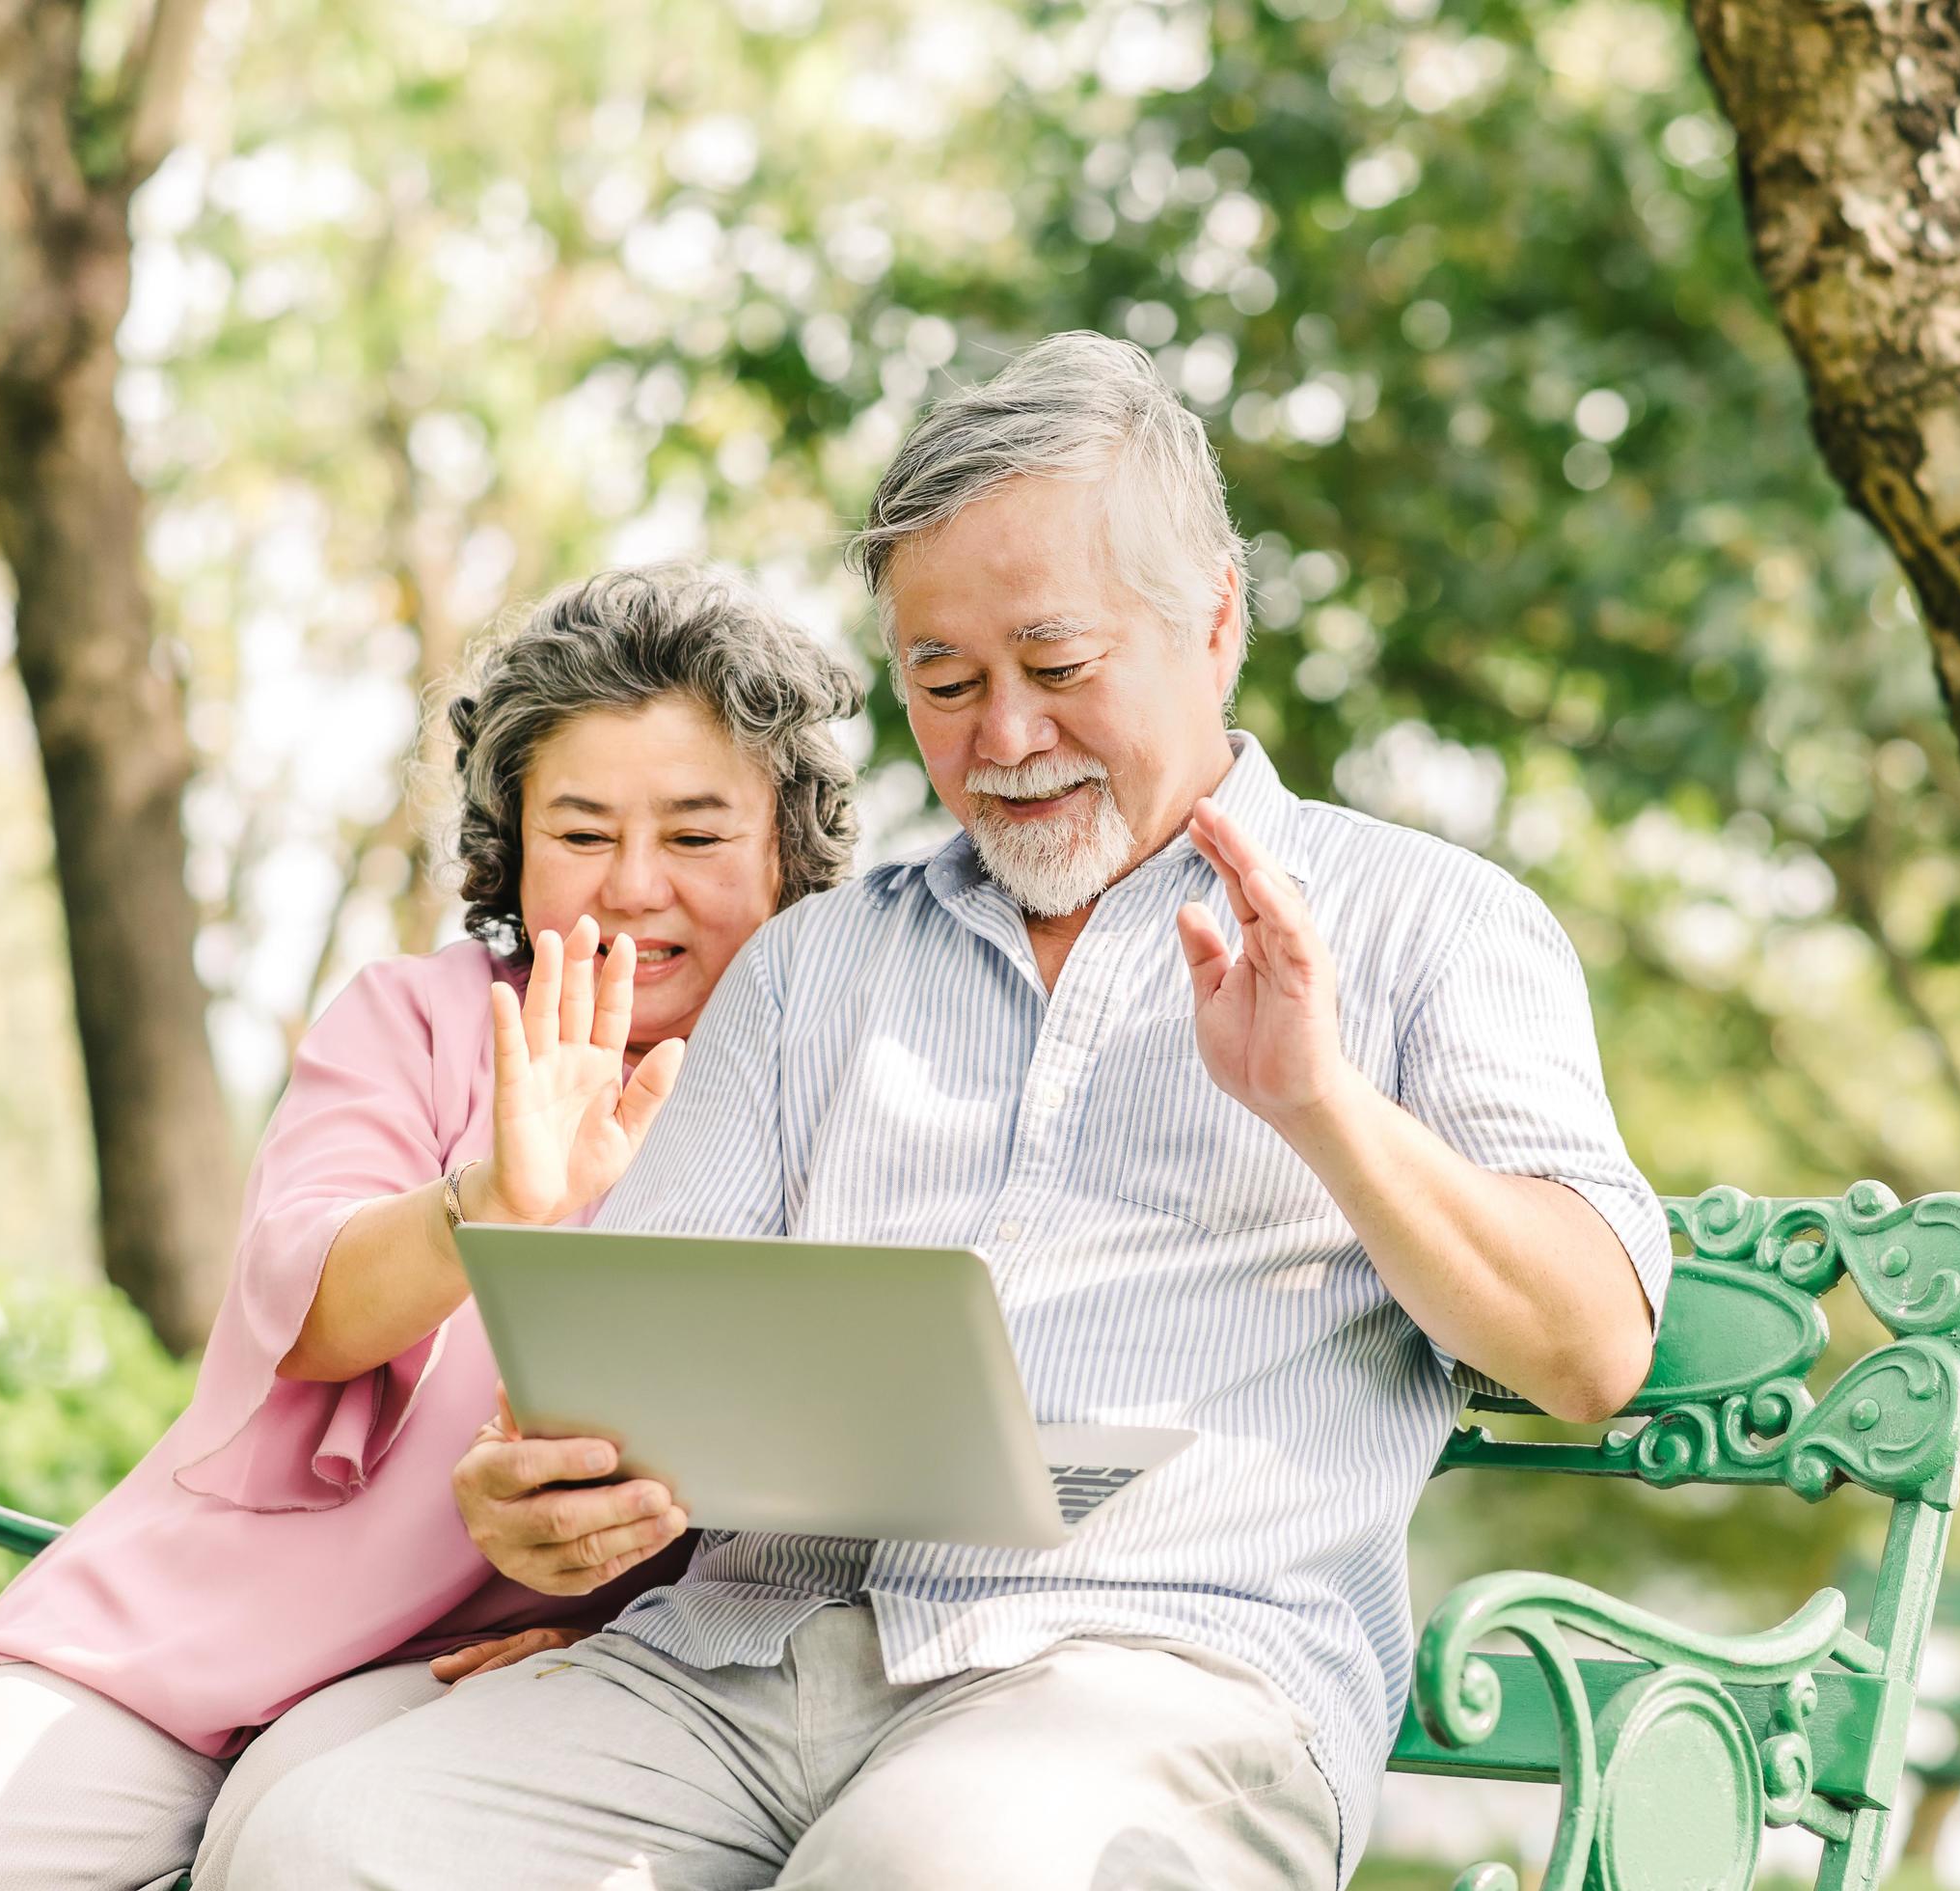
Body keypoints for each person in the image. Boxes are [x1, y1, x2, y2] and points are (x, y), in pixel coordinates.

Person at [233, 333, 1670, 1890]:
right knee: (337, 1838)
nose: (1002, 738)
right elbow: (624, 1394)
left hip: (1154, 1683)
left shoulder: (1431, 925)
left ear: (1214, 621)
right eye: (942, 681)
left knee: (928, 1865)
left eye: (1057, 668)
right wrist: (551, 1507)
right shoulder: (812, 972)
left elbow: (1591, 1349)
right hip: (740, 1668)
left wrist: (1319, 1106)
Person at [0, 564, 864, 1891]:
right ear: (514, 846)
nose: (634, 888)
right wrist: (495, 1203)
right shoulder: (412, 1020)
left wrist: (634, 1635)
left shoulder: (841, 1084)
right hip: (177, 1641)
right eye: (583, 834)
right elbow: (304, 1311)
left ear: (787, 849)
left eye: (697, 837)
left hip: (468, 1684)